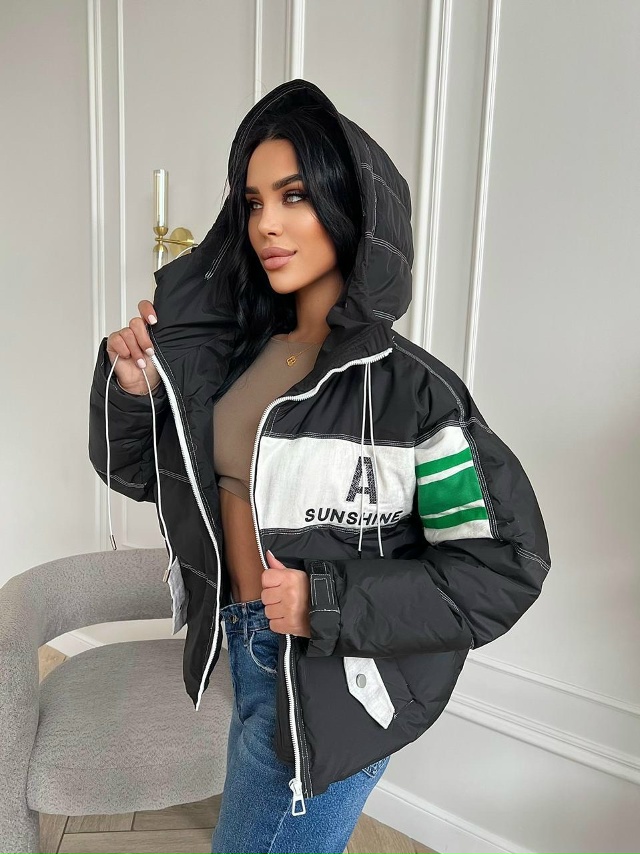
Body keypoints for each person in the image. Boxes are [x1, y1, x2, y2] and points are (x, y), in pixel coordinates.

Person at [88, 79, 551, 854]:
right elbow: (137, 474)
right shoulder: (233, 358)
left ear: (349, 207)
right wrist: (134, 390)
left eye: (294, 196)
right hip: (244, 643)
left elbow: (504, 566)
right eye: (253, 202)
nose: (267, 223)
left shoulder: (415, 396)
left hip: (333, 677)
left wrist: (324, 602)